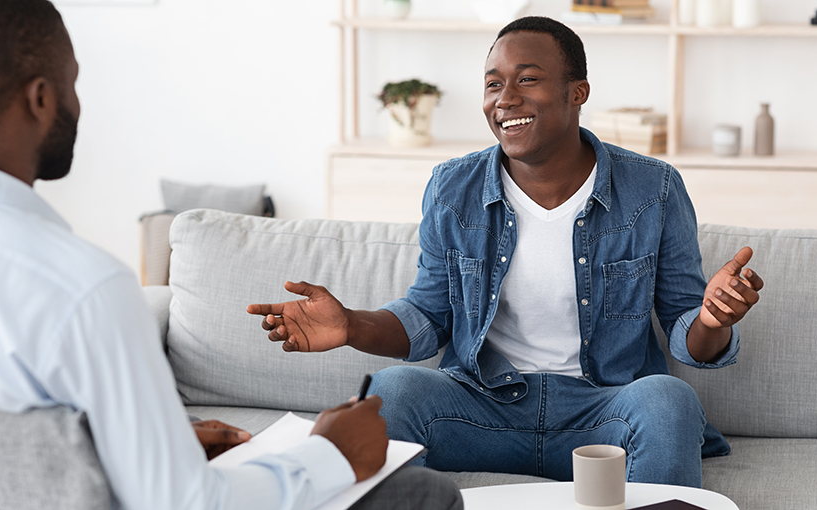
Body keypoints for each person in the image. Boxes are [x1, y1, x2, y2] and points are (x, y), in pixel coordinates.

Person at [0, 1, 463, 509]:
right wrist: (330, 454)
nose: (77, 105)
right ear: (41, 98)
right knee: (424, 494)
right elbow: (188, 504)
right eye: (73, 84)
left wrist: (152, 443)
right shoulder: (82, 289)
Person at [248, 16, 764, 489]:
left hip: (601, 416)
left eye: (528, 79)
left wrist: (713, 319)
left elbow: (687, 335)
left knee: (669, 400)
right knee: (393, 391)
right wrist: (351, 326)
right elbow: (429, 314)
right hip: (482, 410)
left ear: (577, 92)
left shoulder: (654, 189)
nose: (505, 98)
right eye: (493, 83)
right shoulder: (453, 187)